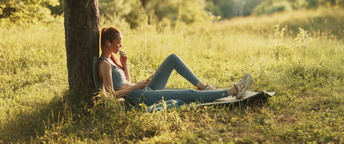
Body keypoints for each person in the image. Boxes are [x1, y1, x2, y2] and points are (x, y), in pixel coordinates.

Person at [97, 27, 252, 107]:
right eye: (118, 42)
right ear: (108, 43)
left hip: (142, 89)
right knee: (188, 94)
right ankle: (234, 91)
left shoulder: (113, 60)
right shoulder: (104, 64)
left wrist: (124, 65)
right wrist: (137, 86)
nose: (121, 45)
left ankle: (204, 87)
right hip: (138, 97)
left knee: (172, 58)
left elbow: (125, 82)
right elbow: (112, 95)